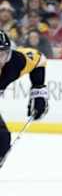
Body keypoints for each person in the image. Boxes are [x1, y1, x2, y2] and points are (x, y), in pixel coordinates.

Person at [0, 30, 49, 168]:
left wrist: (38, 90)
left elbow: (39, 59)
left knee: (2, 140)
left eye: (2, 55)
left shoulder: (15, 62)